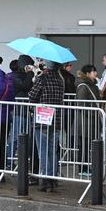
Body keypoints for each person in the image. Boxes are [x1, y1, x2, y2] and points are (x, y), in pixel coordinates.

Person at [28, 60, 66, 189]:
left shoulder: (42, 78)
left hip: (42, 118)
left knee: (43, 150)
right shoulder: (61, 80)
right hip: (57, 118)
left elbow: (32, 96)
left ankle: (45, 179)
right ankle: (52, 179)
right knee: (53, 150)